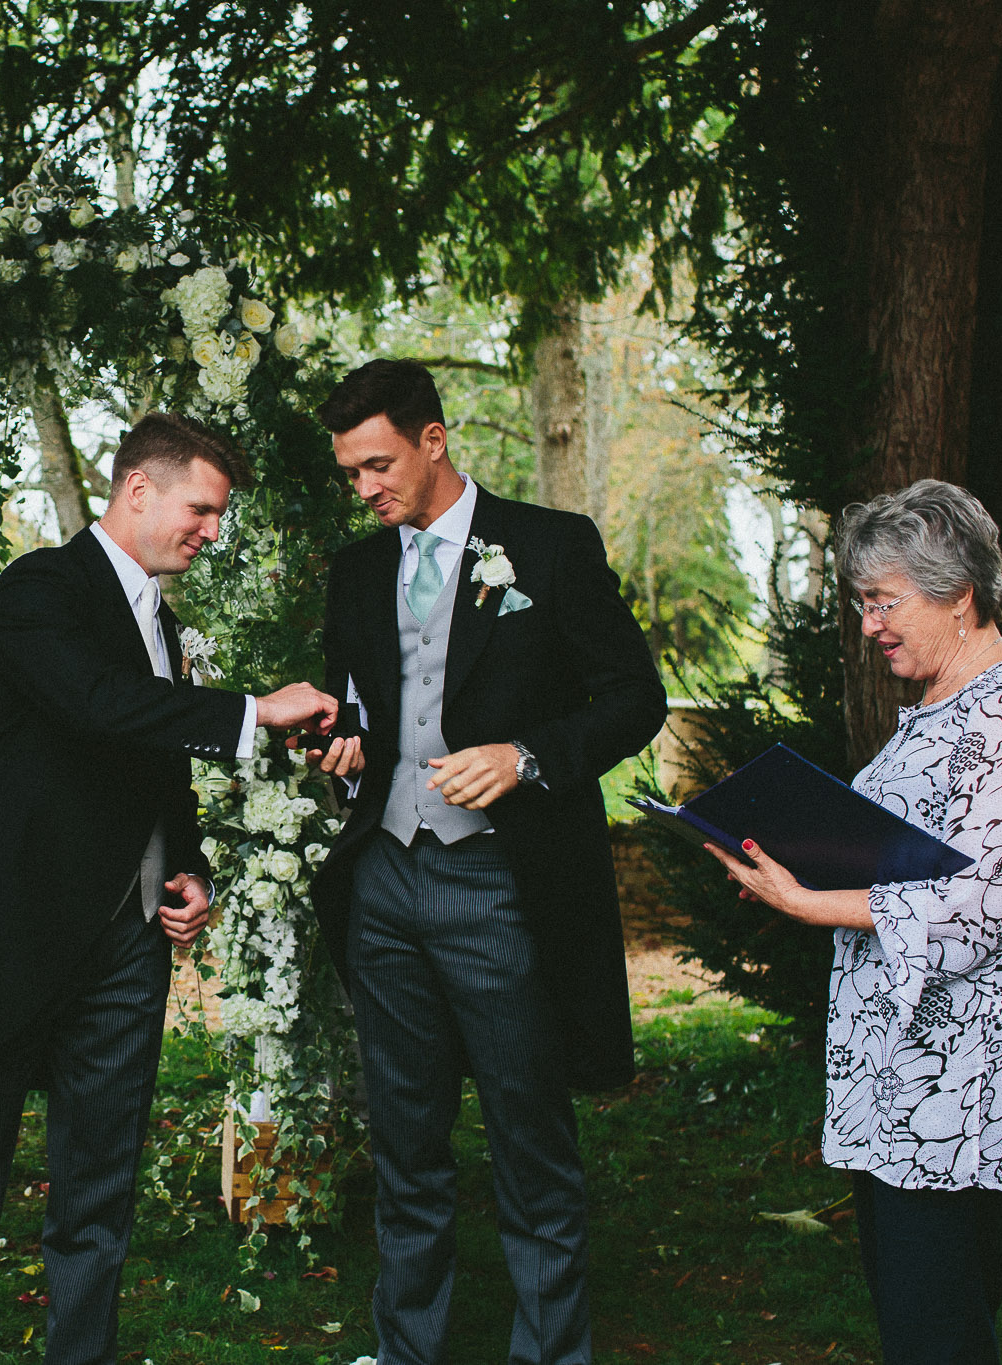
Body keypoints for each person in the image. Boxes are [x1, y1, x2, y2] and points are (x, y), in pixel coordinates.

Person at [0, 412, 338, 1364]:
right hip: (15, 939)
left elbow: (153, 760)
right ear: (138, 489)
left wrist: (186, 863)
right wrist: (254, 710)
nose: (212, 532)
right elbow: (97, 704)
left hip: (128, 953)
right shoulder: (41, 589)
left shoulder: (165, 625)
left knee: (98, 1196)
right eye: (203, 509)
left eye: (219, 516)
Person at [304, 360, 667, 1365]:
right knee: (405, 1140)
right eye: (349, 474)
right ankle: (405, 1349)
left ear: (432, 440)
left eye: (376, 464)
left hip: (500, 883)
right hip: (381, 880)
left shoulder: (548, 549)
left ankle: (549, 1352)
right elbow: (361, 713)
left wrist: (526, 757)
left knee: (527, 1134)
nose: (365, 488)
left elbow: (635, 699)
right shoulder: (356, 572)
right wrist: (341, 749)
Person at [708, 479, 1002, 1365]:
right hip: (910, 1080)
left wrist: (812, 902)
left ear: (958, 594)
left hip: (962, 1085)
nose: (869, 624)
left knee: (939, 1333)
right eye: (861, 602)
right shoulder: (941, 701)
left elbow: (976, 911)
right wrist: (793, 867)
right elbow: (908, 852)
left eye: (884, 601)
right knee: (919, 1323)